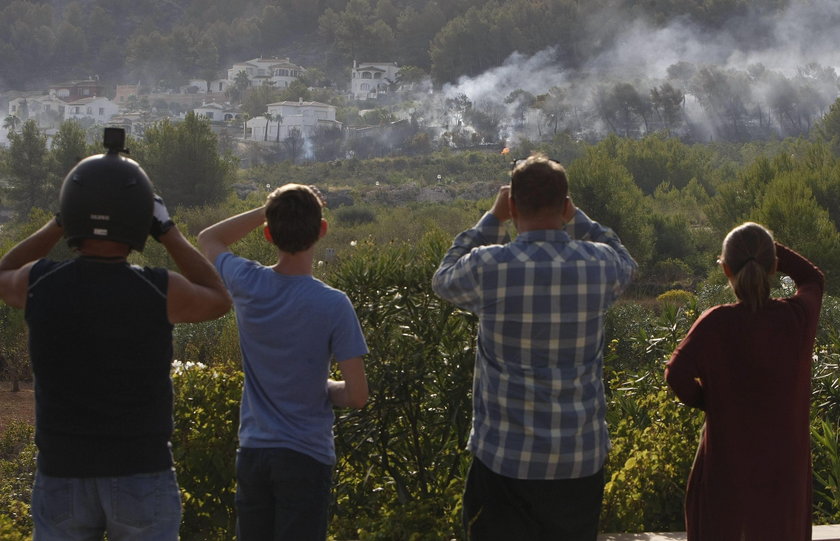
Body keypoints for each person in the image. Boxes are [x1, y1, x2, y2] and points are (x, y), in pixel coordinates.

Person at [0, 128, 232, 541]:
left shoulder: (39, 283)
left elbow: (2, 272)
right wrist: (168, 231)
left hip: (61, 471)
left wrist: (58, 222)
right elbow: (218, 298)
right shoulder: (160, 289)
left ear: (71, 212)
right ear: (140, 218)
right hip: (140, 469)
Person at [431, 154, 638, 541]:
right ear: (564, 206)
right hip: (579, 459)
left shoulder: (489, 267)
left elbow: (443, 278)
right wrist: (581, 221)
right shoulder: (599, 265)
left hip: (503, 460)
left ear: (512, 207)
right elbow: (626, 260)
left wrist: (490, 221)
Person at [197, 183, 369, 541]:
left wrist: (270, 208)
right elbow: (356, 395)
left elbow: (209, 238)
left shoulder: (247, 282)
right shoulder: (334, 305)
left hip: (255, 453)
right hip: (306, 457)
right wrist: (320, 388)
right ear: (322, 230)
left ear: (267, 234)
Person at [665, 222, 824, 541]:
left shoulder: (716, 323)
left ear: (725, 270)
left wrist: (709, 401)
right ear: (774, 268)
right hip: (784, 483)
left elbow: (676, 373)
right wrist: (766, 248)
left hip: (727, 479)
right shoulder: (796, 319)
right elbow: (812, 278)